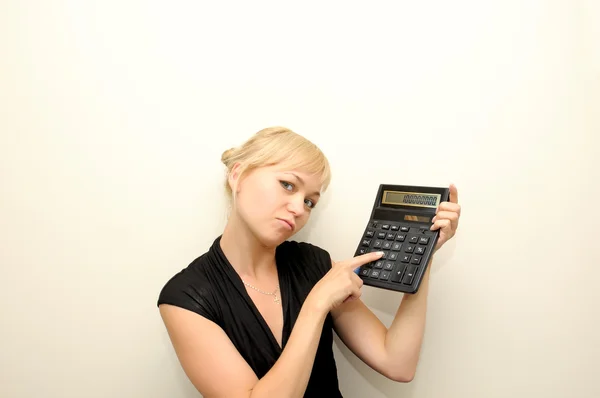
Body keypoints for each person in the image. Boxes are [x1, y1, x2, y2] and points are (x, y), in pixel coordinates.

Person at [157, 126, 461, 397]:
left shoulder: (314, 264)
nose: (299, 208)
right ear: (237, 175)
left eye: (309, 201)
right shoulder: (184, 297)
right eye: (288, 185)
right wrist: (317, 304)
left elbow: (397, 363)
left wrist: (422, 253)